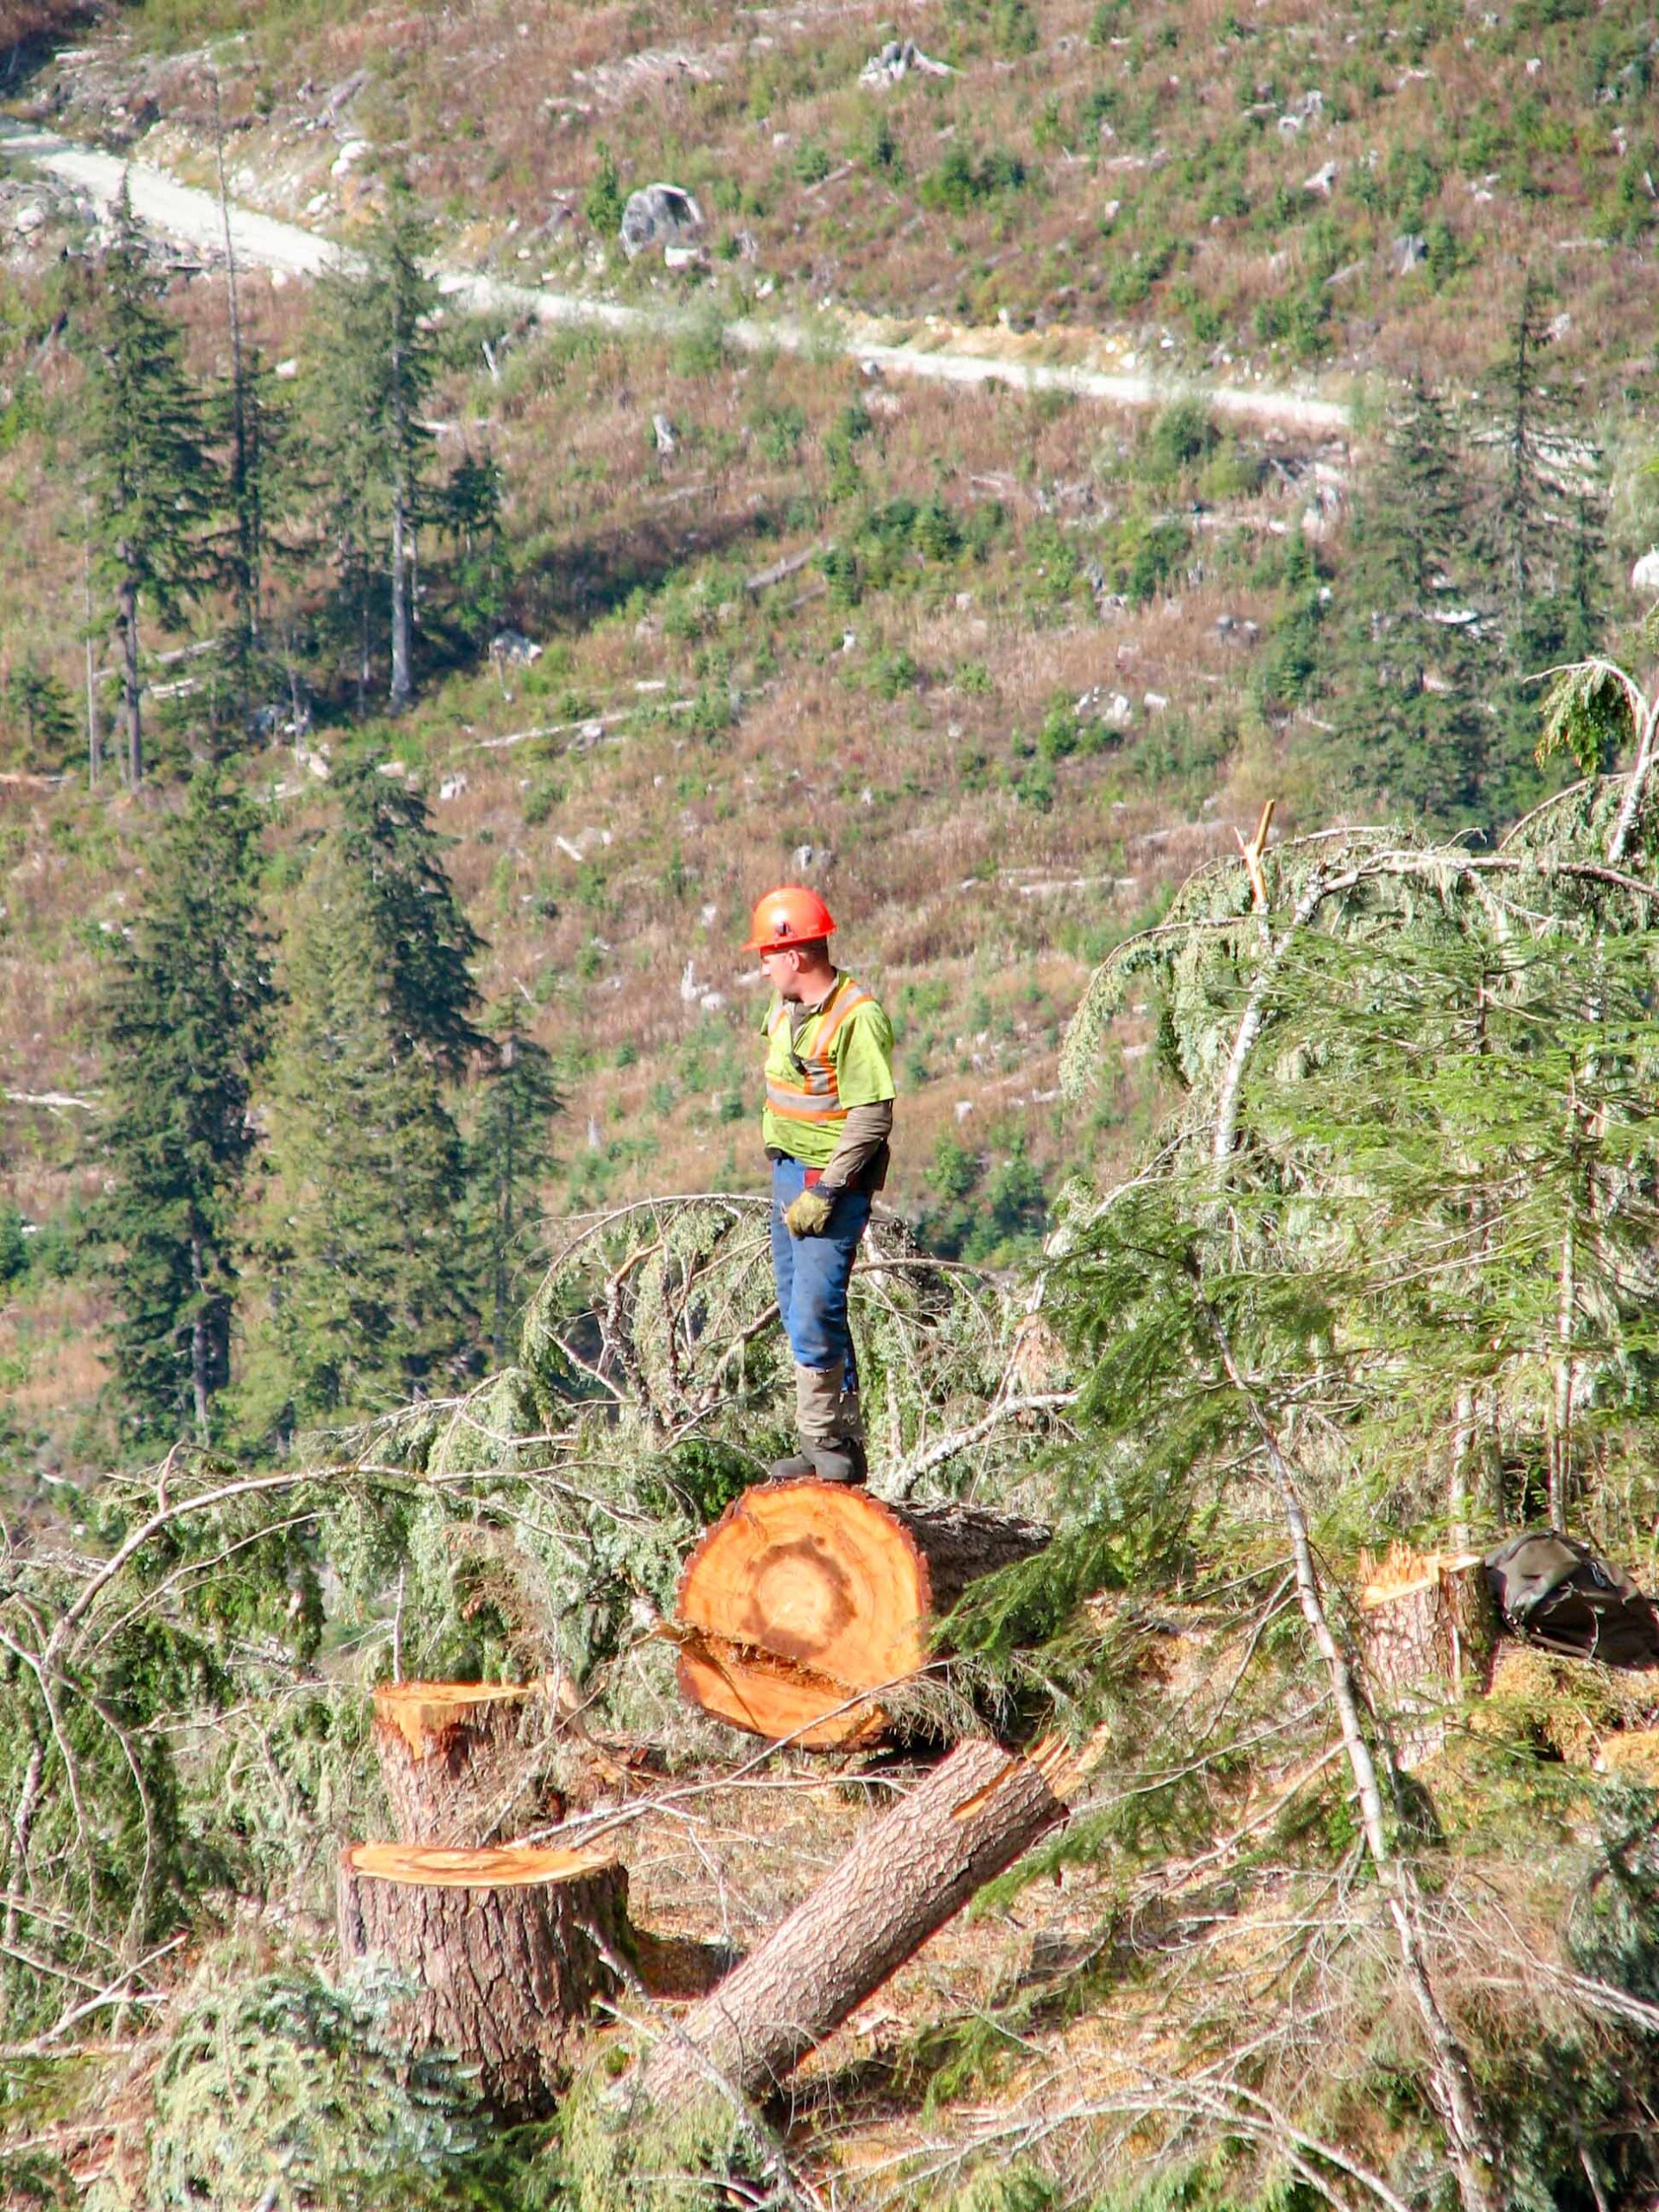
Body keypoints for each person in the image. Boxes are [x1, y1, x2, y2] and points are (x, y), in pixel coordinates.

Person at [742, 885, 895, 1484]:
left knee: (814, 1310)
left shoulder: (857, 1017)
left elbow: (871, 1117)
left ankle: (829, 1445)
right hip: (788, 1173)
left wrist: (827, 1191)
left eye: (768, 956)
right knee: (798, 1307)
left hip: (828, 1183)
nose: (763, 968)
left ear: (795, 955)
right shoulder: (786, 1007)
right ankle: (826, 1441)